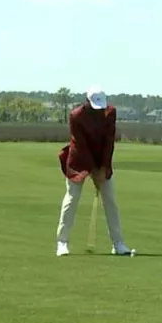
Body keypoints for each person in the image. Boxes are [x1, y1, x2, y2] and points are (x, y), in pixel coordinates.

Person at [55, 86, 134, 257]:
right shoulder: (76, 116)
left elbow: (109, 141)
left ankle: (118, 243)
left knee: (110, 200)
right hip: (79, 160)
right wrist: (93, 170)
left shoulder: (110, 113)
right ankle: (62, 242)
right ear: (87, 102)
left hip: (101, 160)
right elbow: (81, 145)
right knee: (72, 199)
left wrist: (103, 168)